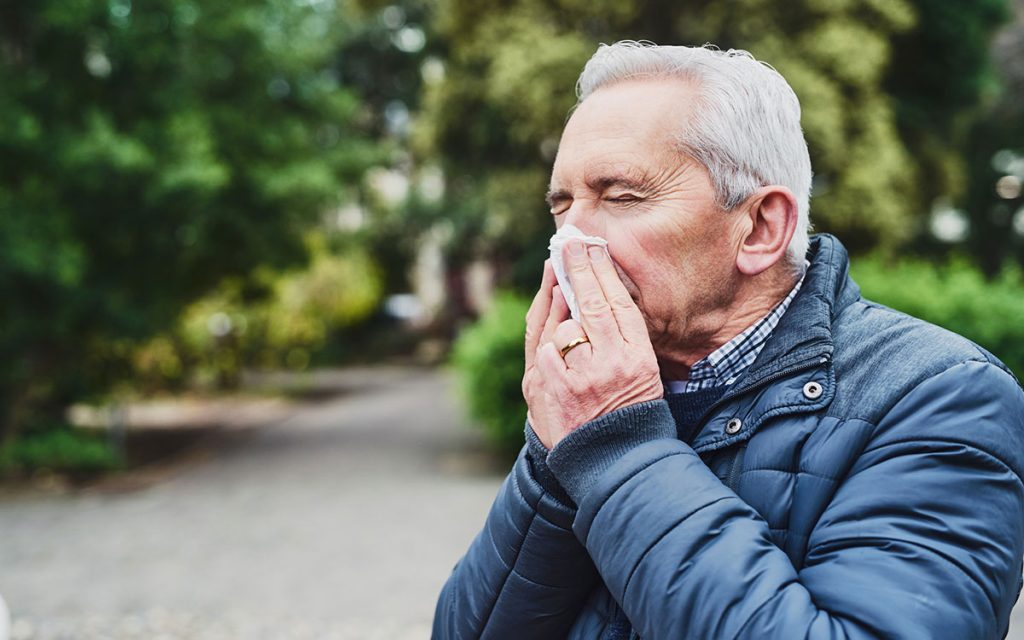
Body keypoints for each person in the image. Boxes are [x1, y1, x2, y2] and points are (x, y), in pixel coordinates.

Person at [433, 41, 1024, 639]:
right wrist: (556, 443)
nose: (570, 242)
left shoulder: (943, 399)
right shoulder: (598, 392)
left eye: (620, 196)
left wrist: (617, 446)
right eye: (563, 208)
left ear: (761, 228)